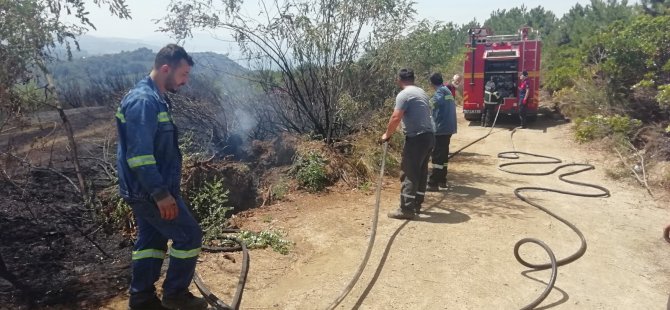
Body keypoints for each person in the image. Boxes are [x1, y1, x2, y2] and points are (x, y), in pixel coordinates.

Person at [116, 44, 208, 310]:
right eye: (183, 74)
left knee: (151, 242)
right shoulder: (143, 101)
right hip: (150, 192)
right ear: (166, 68)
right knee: (189, 236)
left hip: (148, 190)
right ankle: (175, 296)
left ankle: (142, 298)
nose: (185, 80)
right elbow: (139, 156)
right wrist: (161, 194)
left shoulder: (155, 98)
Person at [381, 68, 435, 219]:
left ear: (399, 79)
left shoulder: (404, 95)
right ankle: (416, 204)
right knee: (421, 172)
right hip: (429, 137)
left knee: (409, 173)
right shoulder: (421, 92)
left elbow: (395, 117)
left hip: (416, 139)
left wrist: (387, 135)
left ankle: (406, 209)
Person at [427, 73, 457, 191]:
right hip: (448, 128)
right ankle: (442, 180)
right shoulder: (447, 91)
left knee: (437, 157)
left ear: (431, 83)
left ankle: (433, 182)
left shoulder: (439, 92)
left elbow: (430, 104)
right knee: (443, 156)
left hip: (441, 129)